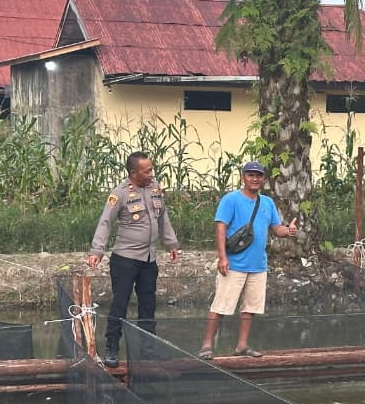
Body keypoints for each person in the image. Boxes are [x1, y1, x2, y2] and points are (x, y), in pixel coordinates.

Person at [87, 151, 180, 367]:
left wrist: (171, 244)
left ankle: (148, 349)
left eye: (151, 170)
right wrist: (97, 251)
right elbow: (105, 222)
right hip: (125, 260)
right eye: (146, 171)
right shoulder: (119, 193)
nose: (151, 174)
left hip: (149, 260)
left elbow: (163, 217)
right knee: (120, 304)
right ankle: (112, 347)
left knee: (148, 305)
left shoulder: (154, 188)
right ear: (133, 173)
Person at [198, 160, 297, 359]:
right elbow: (221, 228)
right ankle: (206, 346)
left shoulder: (267, 202)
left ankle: (242, 346)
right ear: (243, 177)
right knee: (221, 306)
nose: (255, 179)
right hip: (234, 263)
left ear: (263, 179)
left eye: (258, 175)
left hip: (258, 265)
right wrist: (222, 257)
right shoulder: (230, 200)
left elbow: (276, 228)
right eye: (251, 175)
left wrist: (288, 230)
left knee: (250, 308)